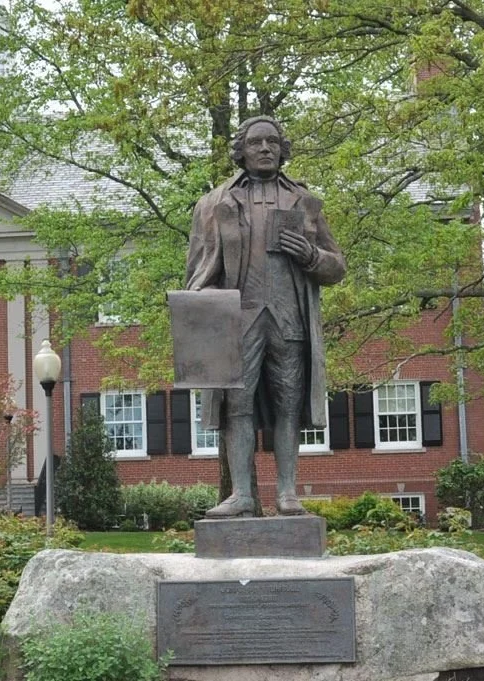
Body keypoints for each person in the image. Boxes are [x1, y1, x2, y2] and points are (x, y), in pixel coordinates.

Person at [184, 116, 347, 518]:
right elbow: (196, 269)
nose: (265, 148)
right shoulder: (214, 203)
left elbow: (337, 267)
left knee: (288, 402)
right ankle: (241, 495)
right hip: (238, 318)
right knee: (235, 405)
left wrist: (310, 255)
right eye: (256, 142)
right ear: (241, 150)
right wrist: (199, 306)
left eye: (273, 142)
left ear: (282, 149)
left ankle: (288, 493)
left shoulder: (305, 202)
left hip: (289, 316)